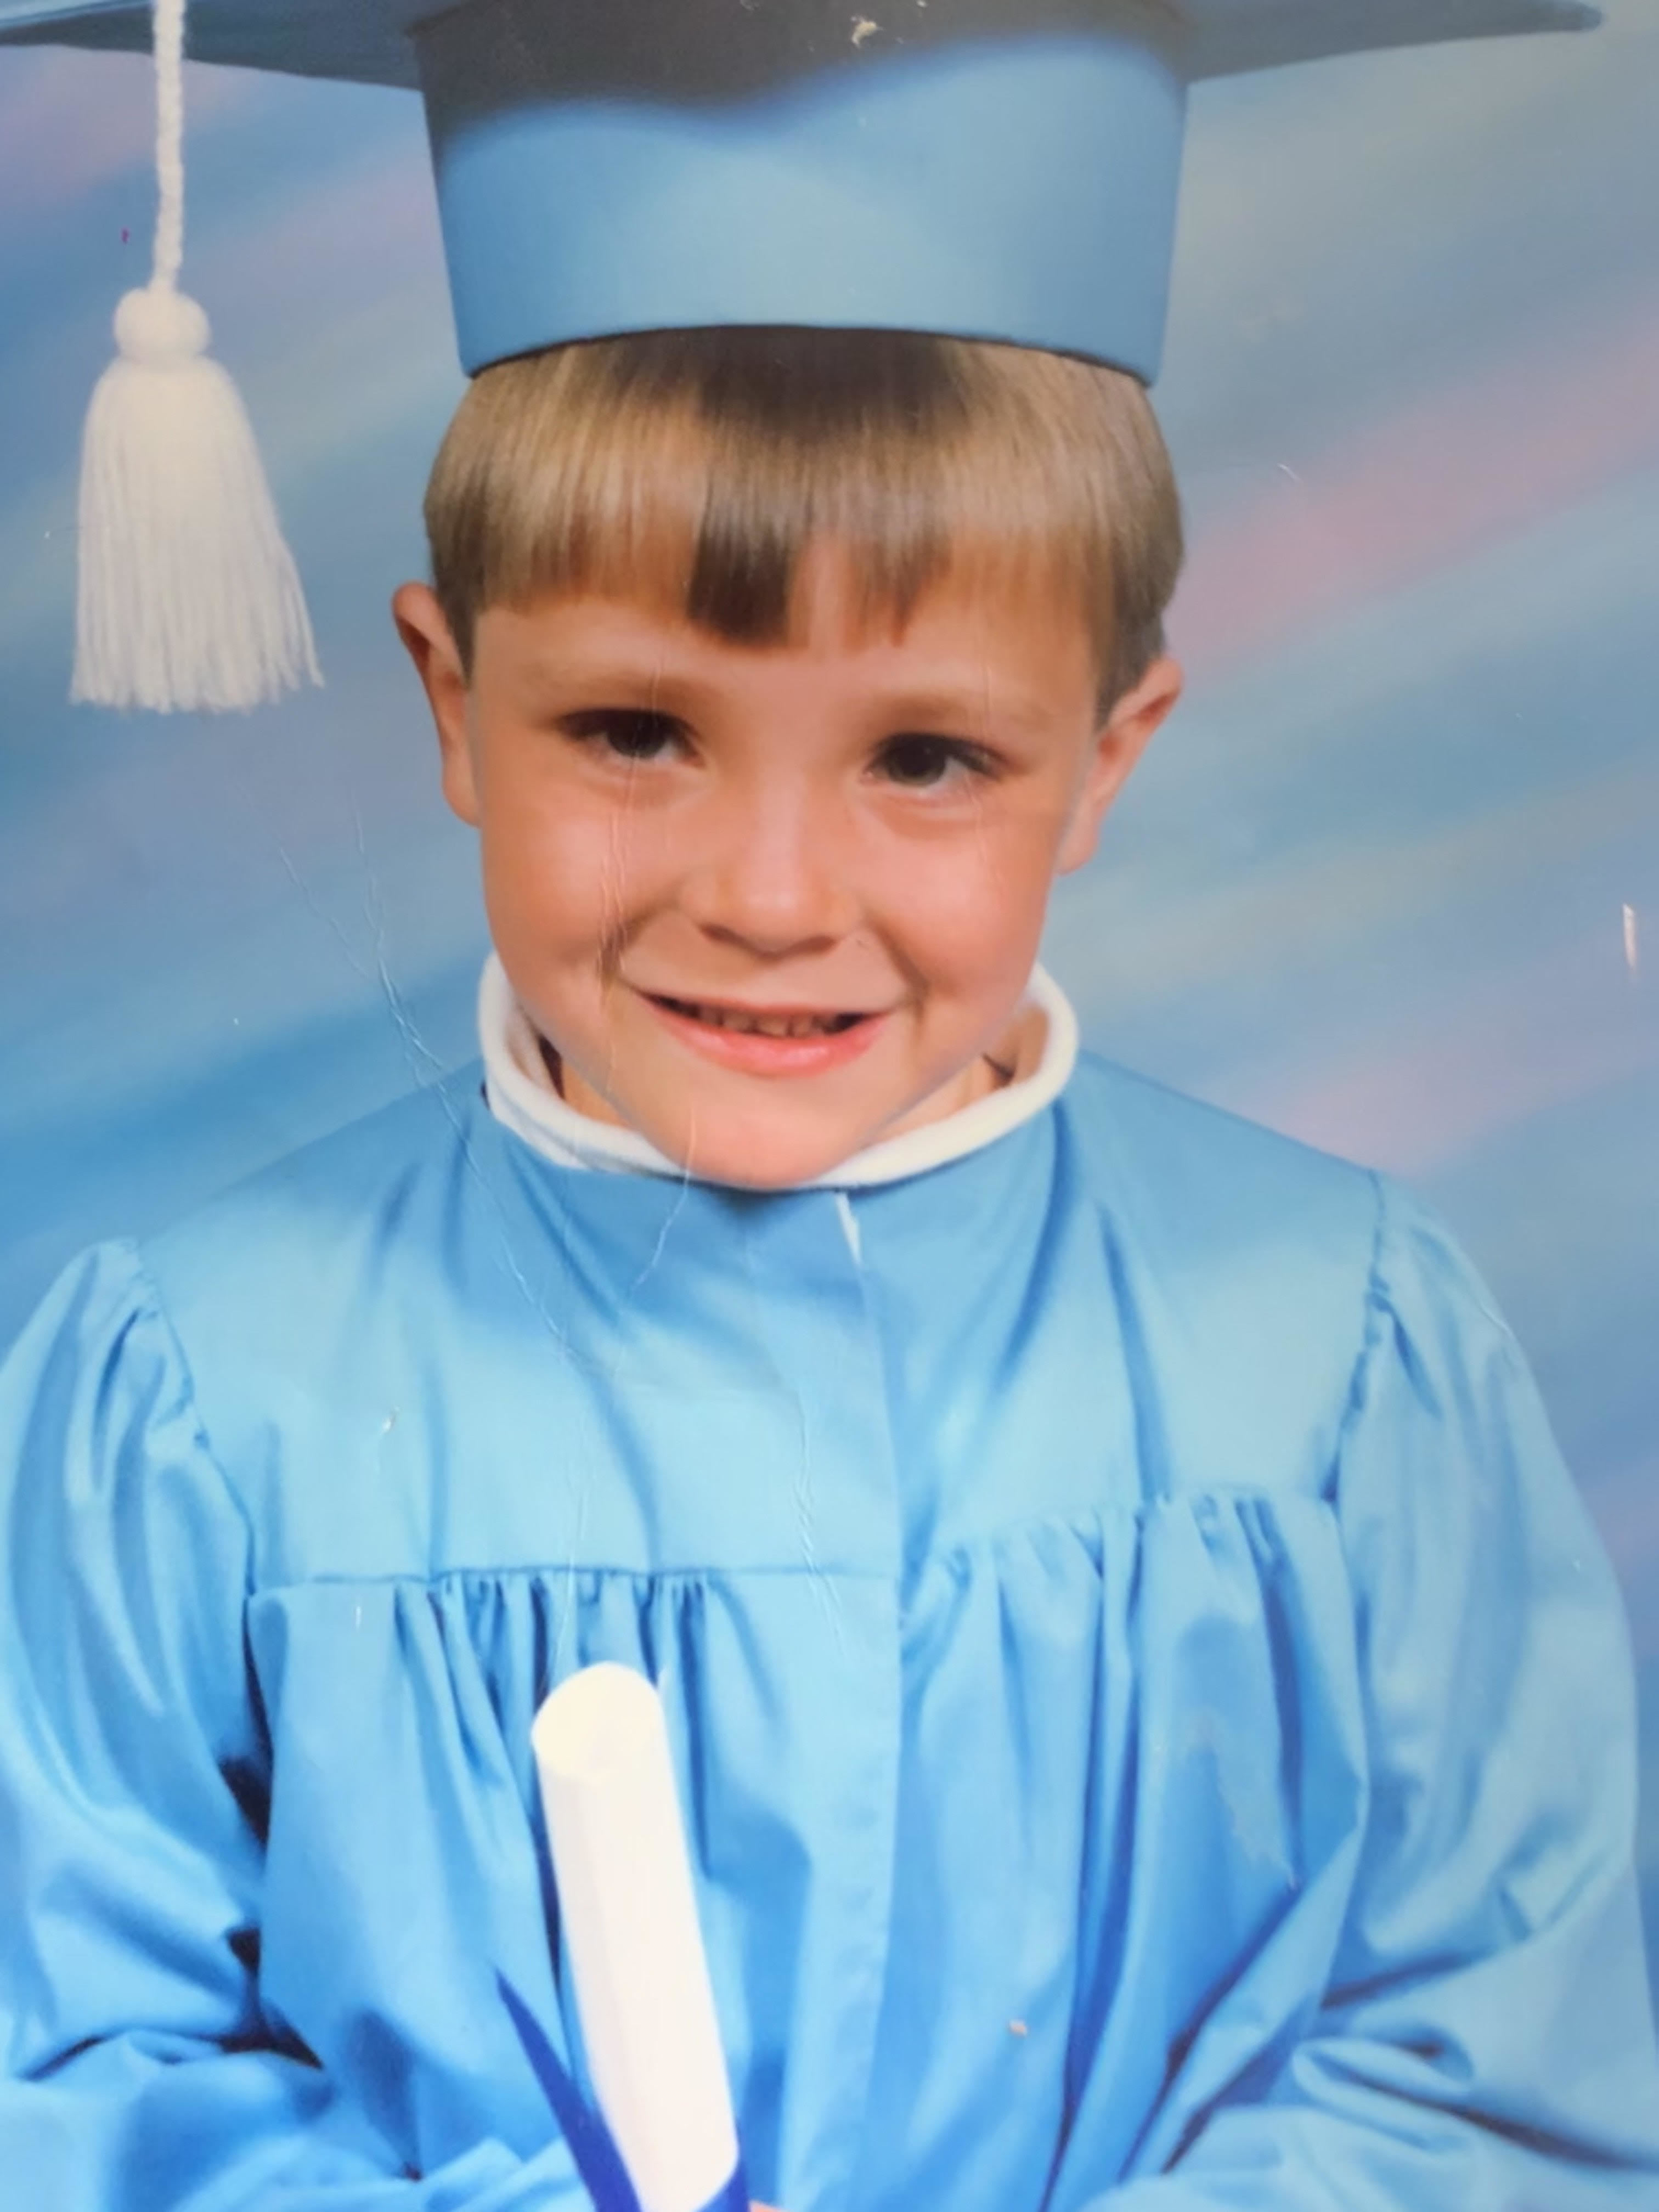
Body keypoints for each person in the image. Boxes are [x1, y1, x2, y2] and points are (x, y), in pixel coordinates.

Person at [1, 3, 1656, 2208]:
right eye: (635, 732)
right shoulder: (195, 1398)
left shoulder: (1342, 1359)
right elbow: (68, 2080)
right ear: (453, 702)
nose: (771, 900)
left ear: (1110, 757)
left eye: (926, 758)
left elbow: (1495, 2079)